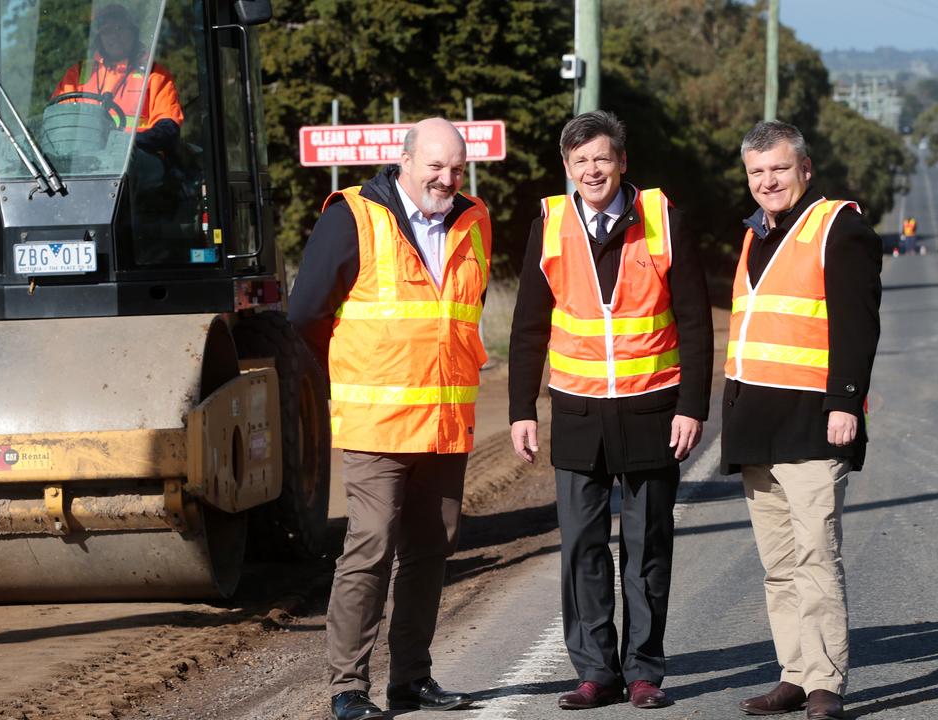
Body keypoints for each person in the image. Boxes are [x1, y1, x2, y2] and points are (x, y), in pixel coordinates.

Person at [508, 110, 713, 711]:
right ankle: (596, 671)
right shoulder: (549, 222)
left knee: (648, 547)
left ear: (622, 162)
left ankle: (644, 669)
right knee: (581, 547)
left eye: (602, 158)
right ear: (567, 168)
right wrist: (522, 408)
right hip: (576, 411)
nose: (592, 170)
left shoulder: (662, 218)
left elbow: (696, 321)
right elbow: (527, 325)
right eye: (580, 161)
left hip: (653, 407)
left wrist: (692, 405)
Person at [289, 117, 491, 720]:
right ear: (404, 161)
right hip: (377, 424)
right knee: (371, 546)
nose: (446, 178)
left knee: (432, 548)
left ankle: (412, 679)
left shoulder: (475, 218)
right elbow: (304, 313)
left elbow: (462, 312)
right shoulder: (352, 214)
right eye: (434, 165)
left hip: (444, 423)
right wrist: (350, 377)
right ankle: (348, 689)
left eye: (456, 168)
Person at [724, 120, 881, 720]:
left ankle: (825, 683)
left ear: (805, 171)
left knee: (816, 558)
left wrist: (846, 401)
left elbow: (857, 324)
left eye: (779, 170)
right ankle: (793, 672)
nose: (767, 181)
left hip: (812, 423)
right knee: (779, 565)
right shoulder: (754, 235)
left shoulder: (838, 227)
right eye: (757, 173)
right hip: (756, 422)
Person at [51, 3, 183, 155]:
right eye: (106, 31)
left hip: (136, 164)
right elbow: (56, 123)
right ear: (99, 37)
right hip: (82, 166)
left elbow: (168, 129)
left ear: (133, 32)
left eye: (120, 28)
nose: (114, 35)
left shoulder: (155, 75)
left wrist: (130, 144)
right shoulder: (77, 73)